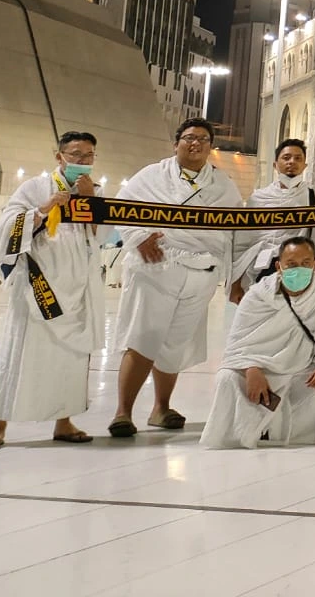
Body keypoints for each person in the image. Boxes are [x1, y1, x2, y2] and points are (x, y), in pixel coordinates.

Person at [109, 119, 243, 438]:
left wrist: (235, 277)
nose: (195, 144)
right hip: (156, 266)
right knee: (143, 337)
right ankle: (123, 412)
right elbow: (122, 208)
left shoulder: (223, 185)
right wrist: (139, 236)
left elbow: (236, 232)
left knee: (175, 342)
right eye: (189, 138)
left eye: (203, 139)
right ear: (176, 144)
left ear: (211, 147)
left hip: (201, 273)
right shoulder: (152, 176)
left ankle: (161, 407)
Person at [0, 132, 107, 451]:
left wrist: (90, 201)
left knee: (71, 357)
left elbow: (100, 237)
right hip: (37, 283)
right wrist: (44, 208)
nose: (83, 161)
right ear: (59, 156)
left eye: (89, 156)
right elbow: (7, 227)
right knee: (17, 352)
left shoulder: (95, 190)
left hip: (76, 283)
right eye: (76, 155)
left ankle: (64, 421)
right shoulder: (34, 187)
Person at [201, 236, 315, 448]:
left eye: (305, 263)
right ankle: (245, 431)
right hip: (262, 367)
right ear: (278, 266)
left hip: (303, 367)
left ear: (314, 263)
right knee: (227, 377)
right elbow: (237, 343)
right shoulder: (257, 295)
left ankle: (301, 432)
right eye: (291, 265)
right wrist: (251, 369)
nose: (299, 270)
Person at [231, 141, 315, 354]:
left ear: (305, 165)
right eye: (286, 158)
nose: (291, 163)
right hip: (266, 273)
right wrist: (236, 283)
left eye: (297, 158)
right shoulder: (259, 198)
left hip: (304, 275)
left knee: (300, 334)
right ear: (276, 164)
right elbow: (243, 241)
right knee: (265, 333)